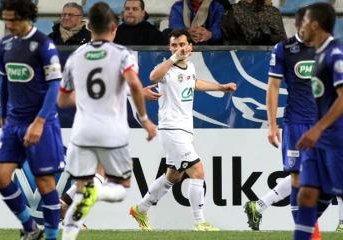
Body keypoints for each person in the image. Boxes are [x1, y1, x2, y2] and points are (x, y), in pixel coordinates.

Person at [57, 2, 157, 239]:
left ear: (88, 26)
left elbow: (62, 101)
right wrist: (145, 119)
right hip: (109, 127)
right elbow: (133, 84)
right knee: (117, 183)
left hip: (82, 129)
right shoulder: (122, 54)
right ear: (114, 28)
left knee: (93, 174)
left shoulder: (76, 56)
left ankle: (66, 206)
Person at [129, 28, 236, 231]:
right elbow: (153, 76)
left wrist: (220, 87)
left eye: (181, 45)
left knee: (174, 176)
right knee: (198, 172)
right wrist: (173, 58)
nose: (178, 48)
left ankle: (140, 209)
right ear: (169, 48)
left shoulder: (191, 67)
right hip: (171, 129)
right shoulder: (167, 68)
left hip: (185, 129)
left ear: (190, 47)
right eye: (174, 45)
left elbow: (194, 83)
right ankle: (200, 222)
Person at [244, 7, 321, 239]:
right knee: (298, 177)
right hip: (296, 121)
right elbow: (274, 87)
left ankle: (259, 206)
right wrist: (271, 124)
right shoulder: (284, 49)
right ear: (297, 26)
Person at [0, 0, 64, 240]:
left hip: (40, 124)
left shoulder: (44, 45)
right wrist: (3, 116)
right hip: (13, 123)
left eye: (13, 20)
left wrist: (40, 122)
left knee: (45, 184)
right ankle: (30, 227)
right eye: (6, 20)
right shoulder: (5, 44)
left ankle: (52, 236)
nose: (9, 25)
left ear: (26, 17)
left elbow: (55, 87)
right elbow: (4, 81)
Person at [294, 2, 343, 239]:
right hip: (320, 140)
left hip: (337, 139)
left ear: (315, 24)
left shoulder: (336, 54)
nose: (300, 27)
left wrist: (318, 129)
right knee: (306, 195)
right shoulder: (319, 53)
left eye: (304, 22)